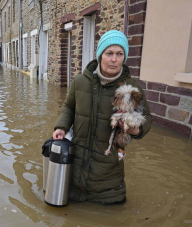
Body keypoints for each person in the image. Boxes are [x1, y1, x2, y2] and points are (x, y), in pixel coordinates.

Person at [52, 30, 152, 205]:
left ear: (124, 58)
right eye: (109, 53)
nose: (114, 59)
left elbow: (147, 120)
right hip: (74, 171)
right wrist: (61, 127)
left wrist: (137, 129)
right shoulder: (80, 81)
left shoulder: (132, 88)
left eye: (119, 54)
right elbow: (69, 106)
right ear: (100, 56)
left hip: (108, 181)